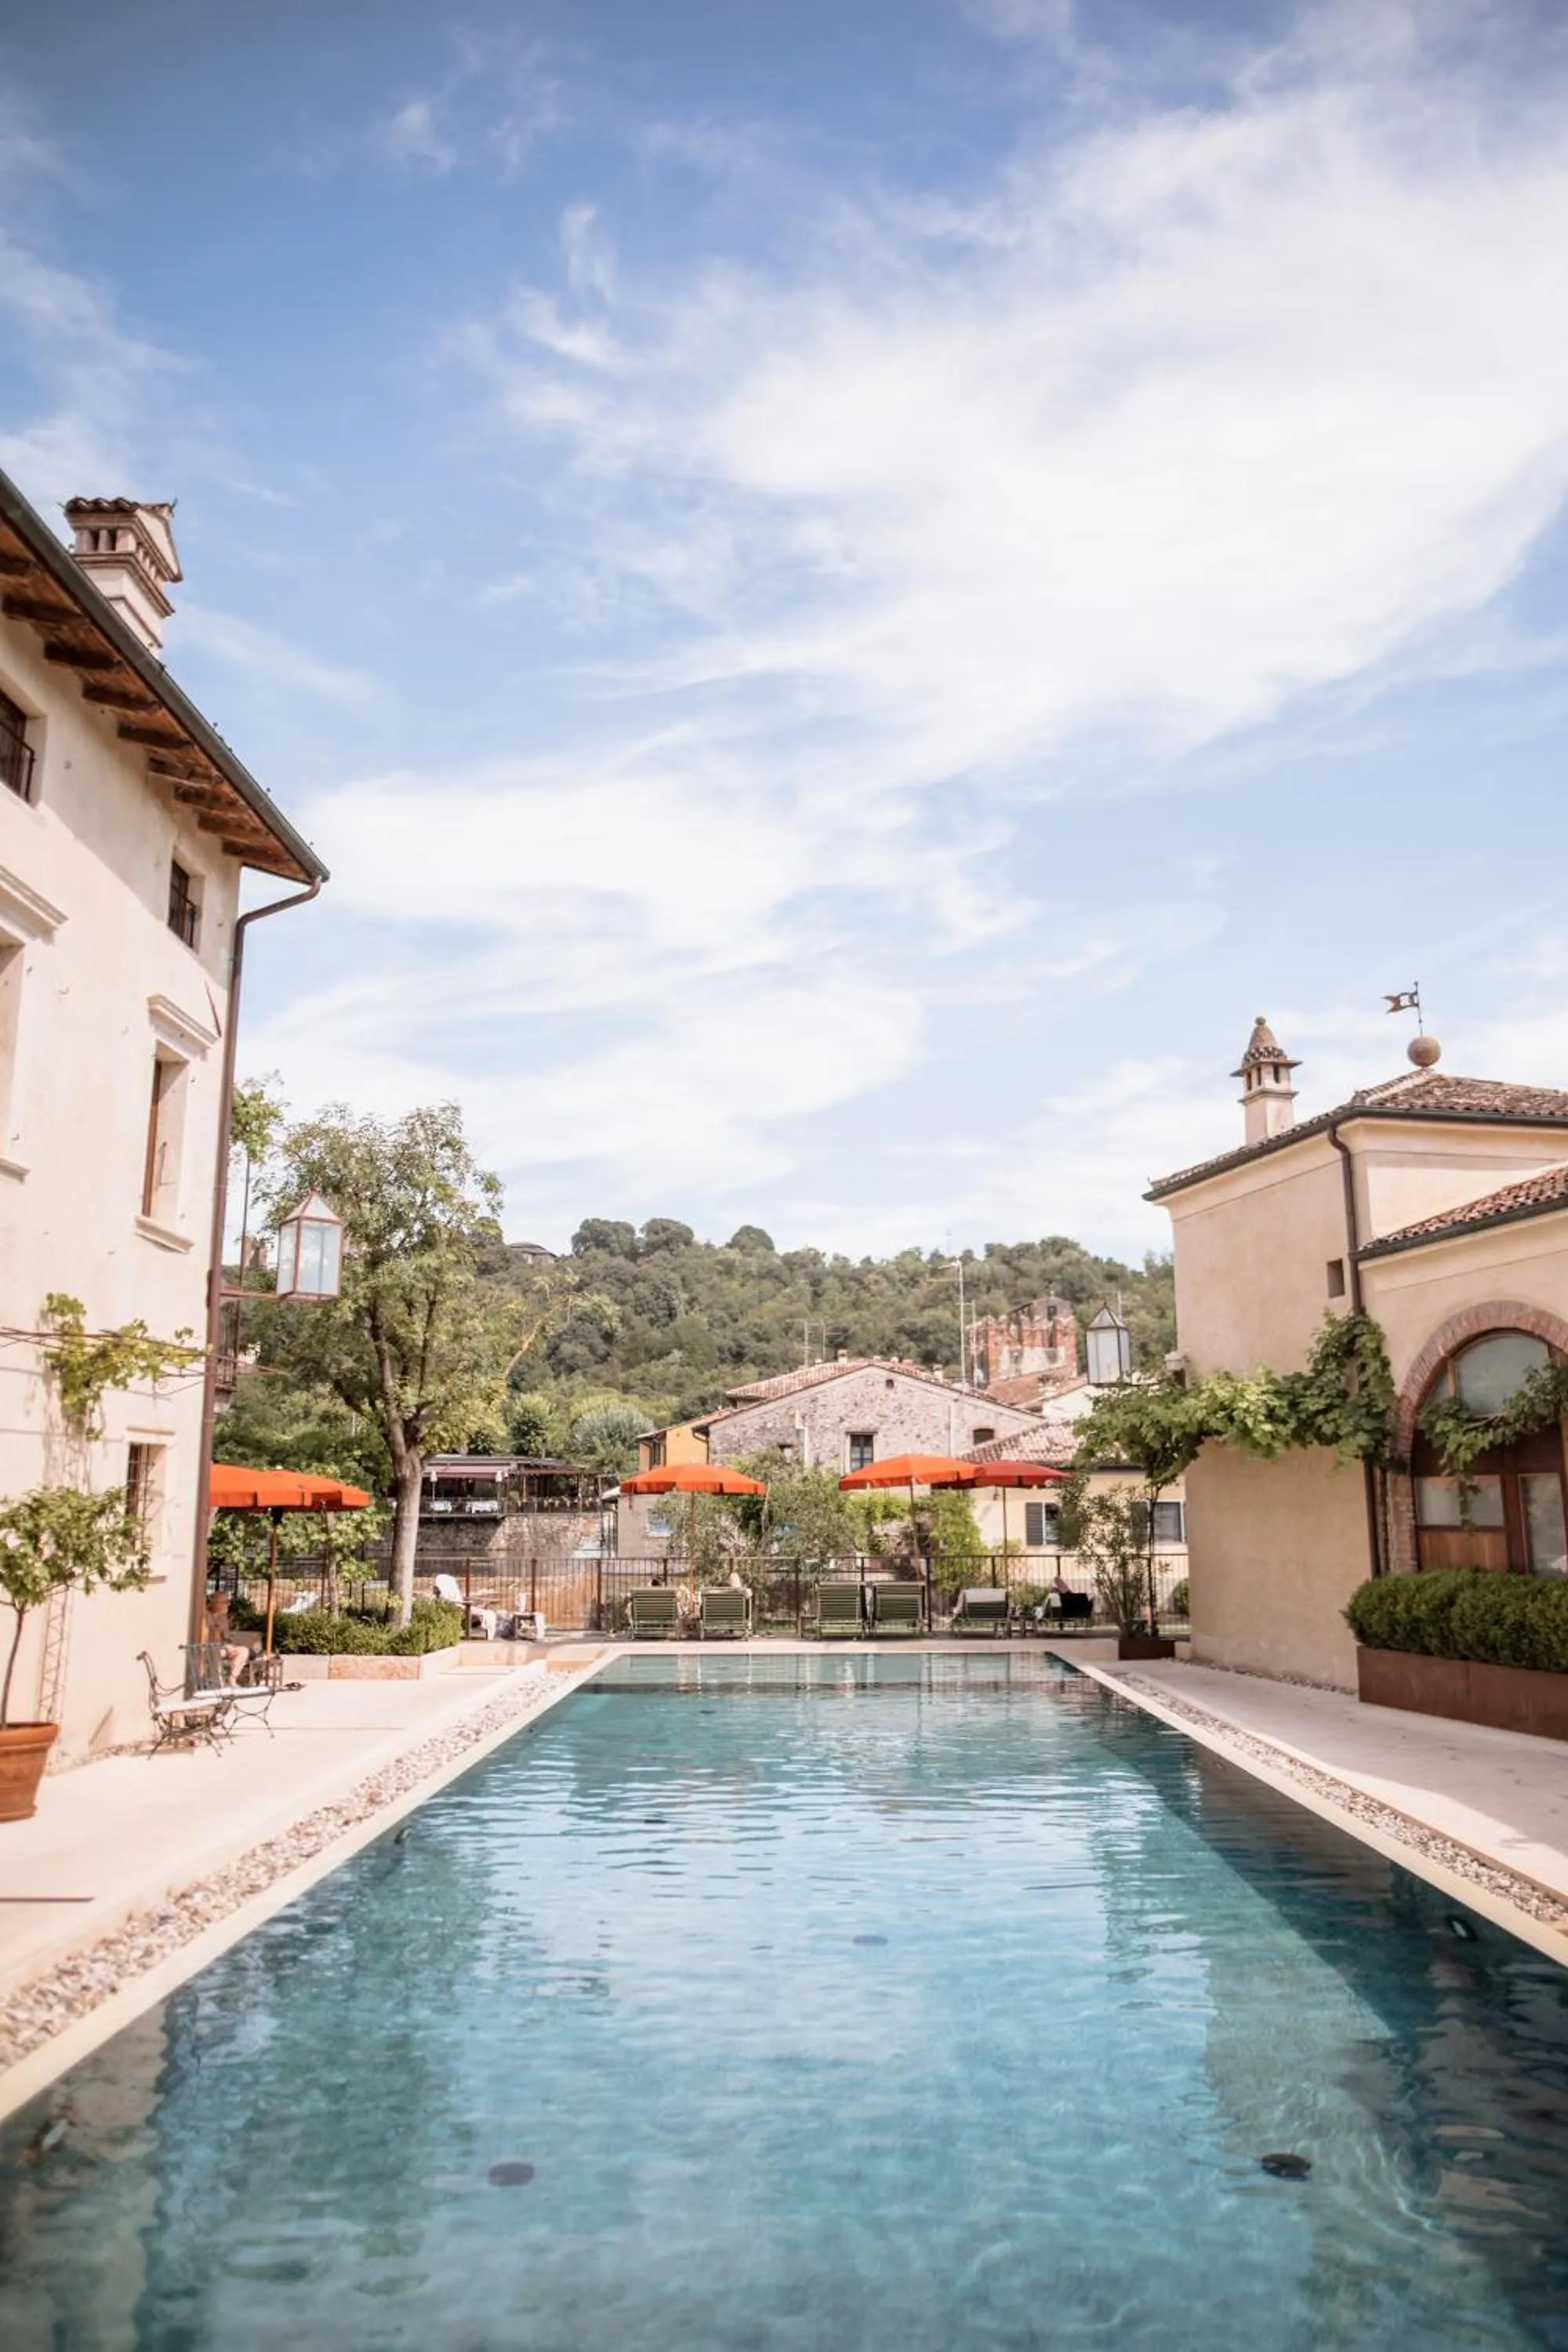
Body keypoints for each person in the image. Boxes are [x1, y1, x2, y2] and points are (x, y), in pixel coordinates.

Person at [205, 1591, 251, 1686]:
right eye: (224, 1602)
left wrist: (229, 1644)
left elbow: (225, 1636)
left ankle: (232, 1678)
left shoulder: (223, 1617)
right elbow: (209, 1634)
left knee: (243, 1651)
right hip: (209, 1647)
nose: (226, 1605)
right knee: (215, 1652)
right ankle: (217, 1683)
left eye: (226, 1602)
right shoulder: (205, 1615)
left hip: (223, 1647)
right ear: (214, 1602)